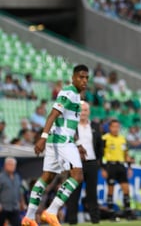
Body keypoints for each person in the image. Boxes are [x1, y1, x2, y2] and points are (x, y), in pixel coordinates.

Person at [21, 64, 89, 226]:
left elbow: (70, 124)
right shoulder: (68, 92)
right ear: (73, 78)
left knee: (47, 177)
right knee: (77, 175)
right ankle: (51, 211)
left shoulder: (77, 97)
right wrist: (42, 138)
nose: (84, 80)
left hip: (60, 140)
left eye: (86, 77)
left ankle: (29, 217)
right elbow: (52, 115)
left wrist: (79, 144)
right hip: (61, 141)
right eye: (81, 77)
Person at [65, 101, 103, 225]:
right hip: (76, 164)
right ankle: (72, 221)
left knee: (92, 193)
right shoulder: (71, 126)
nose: (83, 113)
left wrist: (98, 162)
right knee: (74, 193)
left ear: (89, 112)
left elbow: (100, 145)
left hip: (92, 163)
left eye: (85, 110)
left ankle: (95, 220)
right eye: (81, 110)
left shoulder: (95, 126)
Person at [101, 119, 134, 220]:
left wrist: (129, 167)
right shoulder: (105, 138)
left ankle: (128, 212)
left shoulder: (122, 139)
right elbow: (101, 154)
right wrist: (103, 168)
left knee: (126, 189)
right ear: (109, 127)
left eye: (117, 127)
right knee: (111, 190)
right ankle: (111, 213)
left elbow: (126, 154)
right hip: (110, 166)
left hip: (121, 166)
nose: (115, 129)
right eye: (113, 127)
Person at [0, 157, 25, 226]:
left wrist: (22, 202)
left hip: (14, 207)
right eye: (10, 164)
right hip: (3, 207)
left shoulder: (17, 177)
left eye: (13, 165)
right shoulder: (1, 177)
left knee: (18, 224)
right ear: (5, 165)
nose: (12, 166)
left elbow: (20, 191)